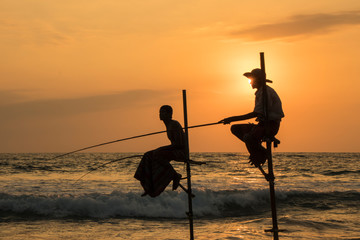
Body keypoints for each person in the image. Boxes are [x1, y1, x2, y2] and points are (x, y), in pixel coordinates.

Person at [219, 68, 284, 167]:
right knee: (235, 129)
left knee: (248, 137)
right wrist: (230, 120)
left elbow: (255, 114)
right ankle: (259, 152)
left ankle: (258, 154)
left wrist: (231, 119)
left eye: (251, 80)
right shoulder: (261, 91)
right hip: (262, 125)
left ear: (257, 80)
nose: (250, 83)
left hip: (270, 126)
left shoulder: (265, 92)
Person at [134, 105, 185, 197]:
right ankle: (148, 186)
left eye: (163, 112)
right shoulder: (168, 125)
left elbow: (179, 145)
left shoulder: (174, 124)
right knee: (148, 155)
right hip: (174, 150)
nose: (160, 114)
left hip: (180, 152)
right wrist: (161, 149)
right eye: (160, 112)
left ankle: (174, 175)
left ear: (170, 114)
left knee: (157, 154)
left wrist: (161, 148)